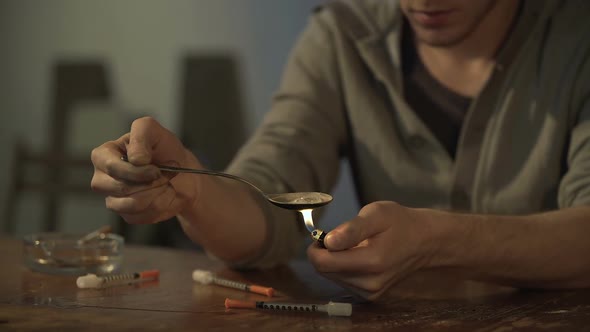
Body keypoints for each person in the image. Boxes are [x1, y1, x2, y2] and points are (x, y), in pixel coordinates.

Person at [90, 0, 590, 300]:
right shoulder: (341, 38)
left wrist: (440, 240)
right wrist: (191, 189)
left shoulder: (576, 38)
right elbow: (268, 197)